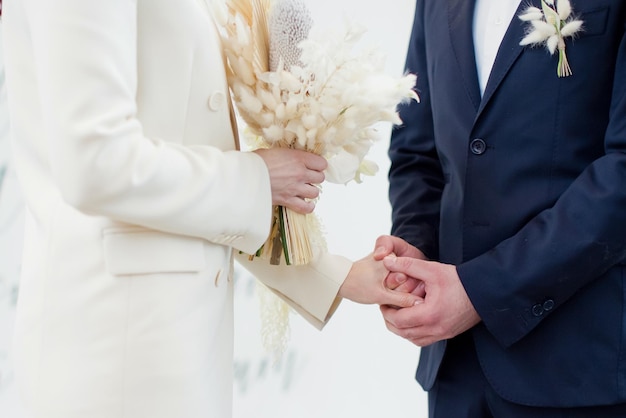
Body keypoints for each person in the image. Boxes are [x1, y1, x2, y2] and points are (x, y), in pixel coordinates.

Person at [1, 1, 418, 417]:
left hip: (179, 350)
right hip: (115, 350)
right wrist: (257, 179)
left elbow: (193, 186)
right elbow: (95, 164)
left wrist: (338, 275)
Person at [374, 0, 626, 417]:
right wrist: (414, 246)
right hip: (456, 375)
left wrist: (481, 291)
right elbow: (417, 152)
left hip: (577, 370)